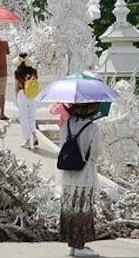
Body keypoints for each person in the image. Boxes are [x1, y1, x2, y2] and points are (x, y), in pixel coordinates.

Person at [59, 103, 103, 257]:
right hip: (84, 175)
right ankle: (79, 246)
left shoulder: (67, 124)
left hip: (68, 175)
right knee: (82, 209)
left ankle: (73, 245)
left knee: (71, 209)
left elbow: (62, 145)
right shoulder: (93, 128)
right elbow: (97, 153)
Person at [13, 53, 39, 149]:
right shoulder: (33, 71)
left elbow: (16, 87)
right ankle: (35, 136)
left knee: (24, 120)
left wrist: (16, 98)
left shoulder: (18, 72)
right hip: (32, 96)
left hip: (22, 95)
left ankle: (27, 141)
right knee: (32, 118)